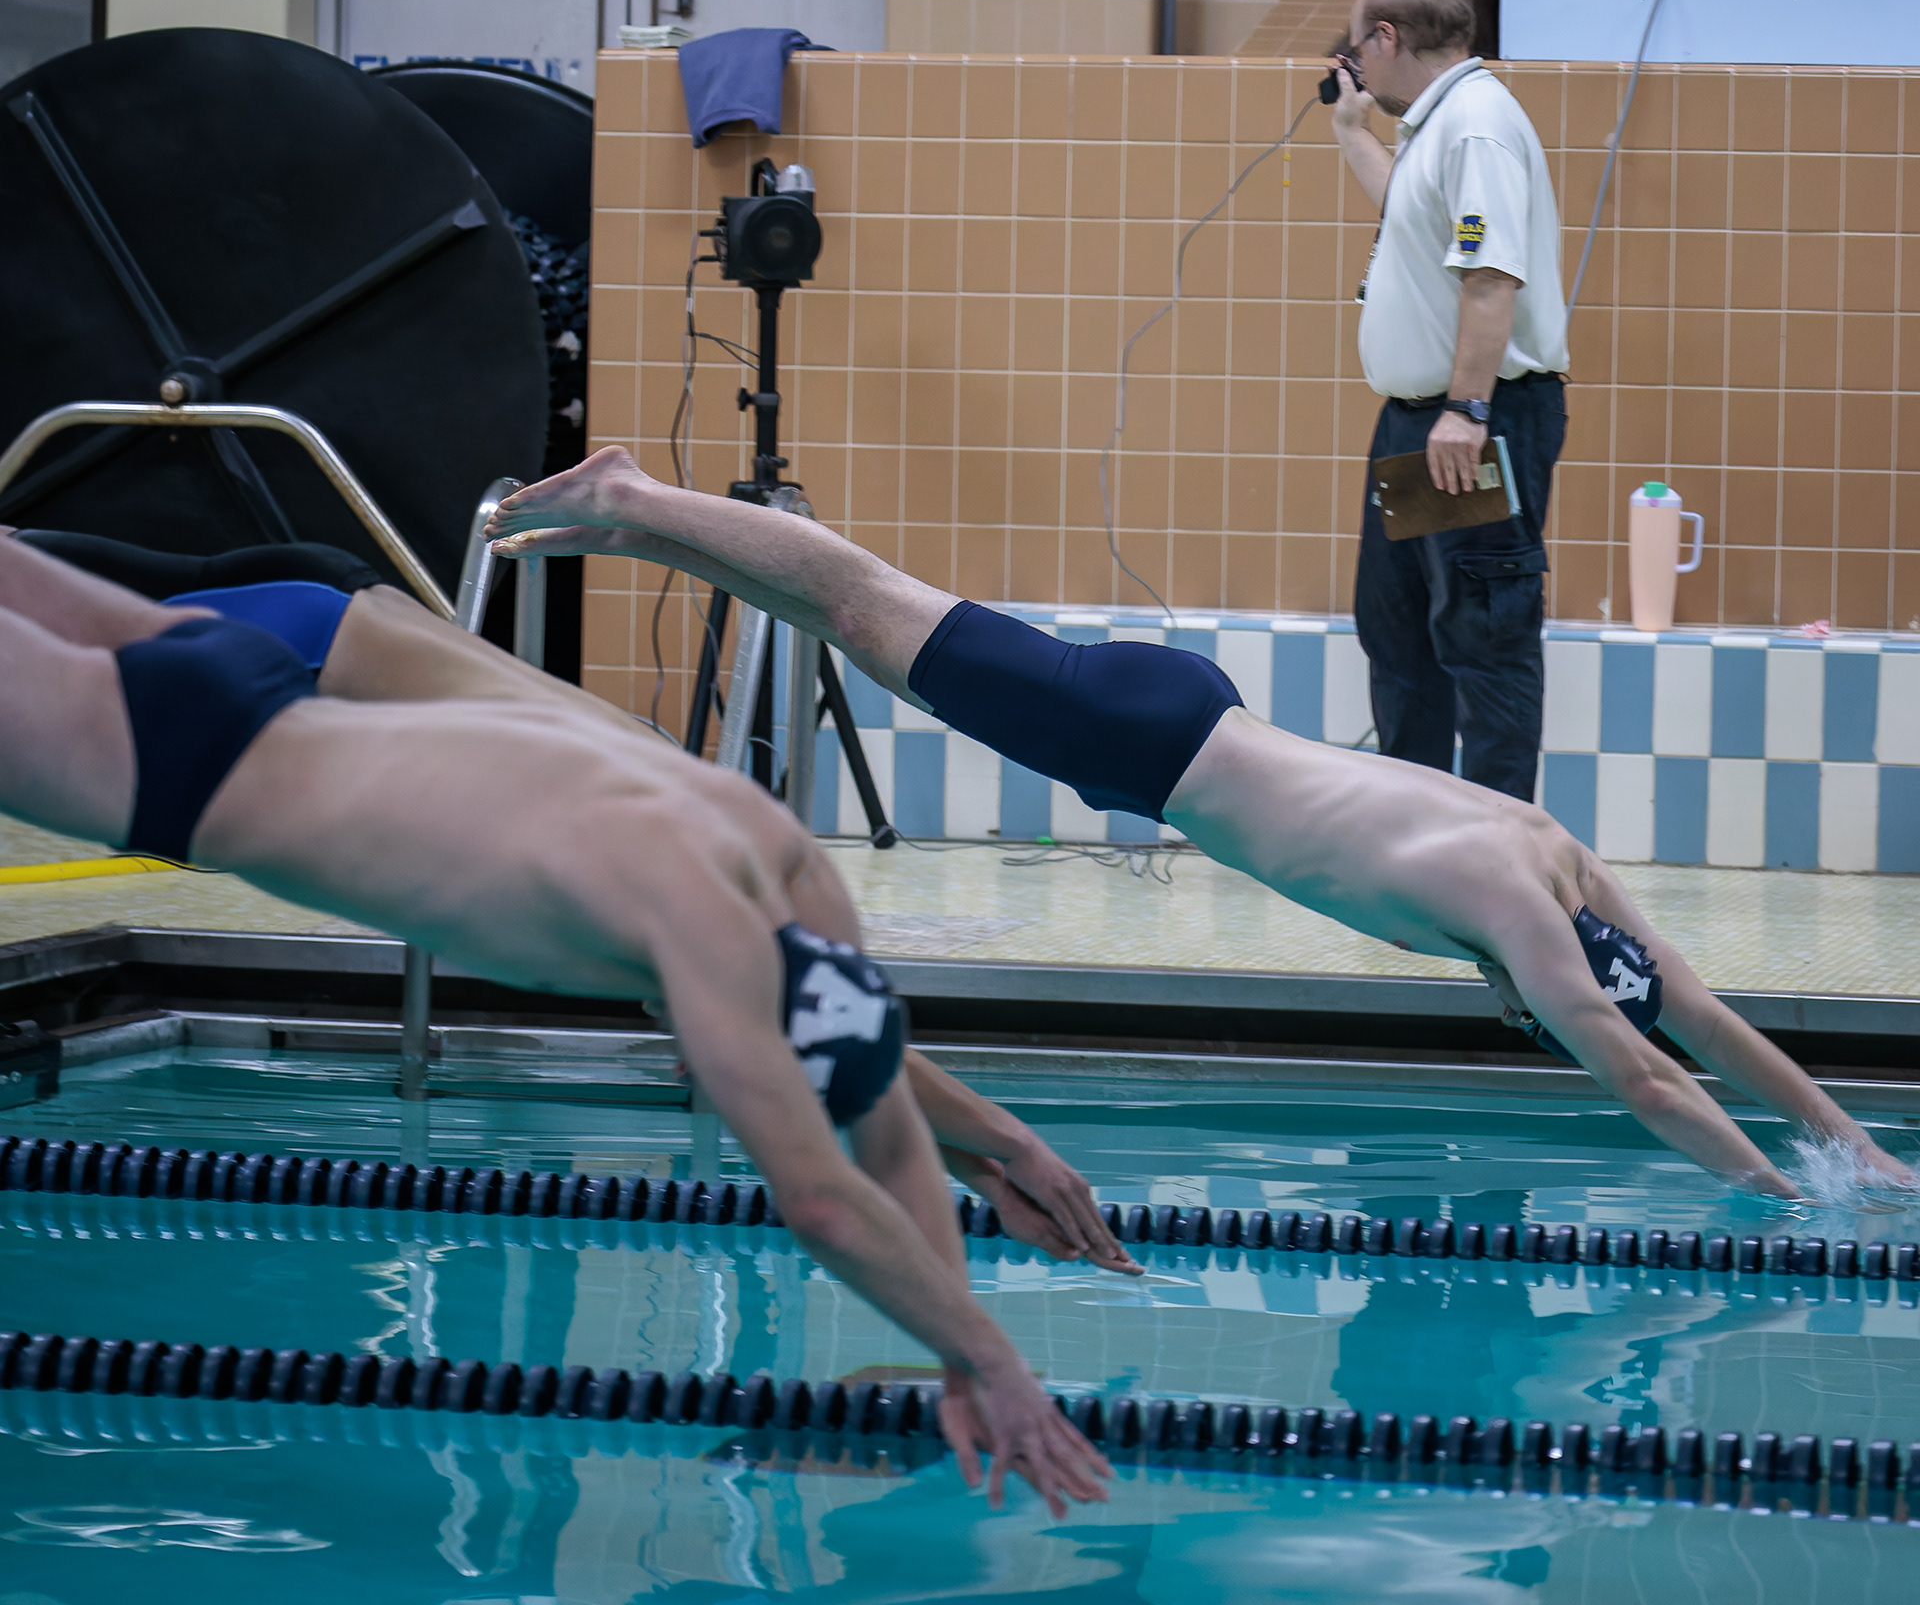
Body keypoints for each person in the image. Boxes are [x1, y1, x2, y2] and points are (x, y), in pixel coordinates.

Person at [0, 533, 1113, 1519]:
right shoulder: (701, 938)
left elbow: (887, 1123)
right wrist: (997, 1364)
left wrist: (956, 1337)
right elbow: (824, 1197)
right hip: (190, 767)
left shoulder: (778, 855)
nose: (687, 1051)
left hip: (252, 674)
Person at [485, 455, 1918, 1201]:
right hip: (1143, 742)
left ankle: (639, 524)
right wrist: (1776, 1202)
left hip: (1181, 720)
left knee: (863, 628)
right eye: (1550, 1008)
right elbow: (1654, 1079)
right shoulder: (1519, 913)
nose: (1537, 1013)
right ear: (1562, 975)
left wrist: (1858, 1151)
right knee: (871, 603)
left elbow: (1700, 1018)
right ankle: (632, 493)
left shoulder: (1552, 856)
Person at [1325, 0, 1567, 803]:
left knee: (1482, 641)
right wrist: (1353, 130)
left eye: (1357, 46)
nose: (1354, 62)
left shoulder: (1475, 126)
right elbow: (1414, 215)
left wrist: (1467, 409)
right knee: (1403, 641)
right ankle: (1419, 845)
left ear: (1387, 38)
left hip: (1469, 422)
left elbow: (1491, 277)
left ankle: (1498, 856)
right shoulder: (1439, 126)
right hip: (1422, 422)